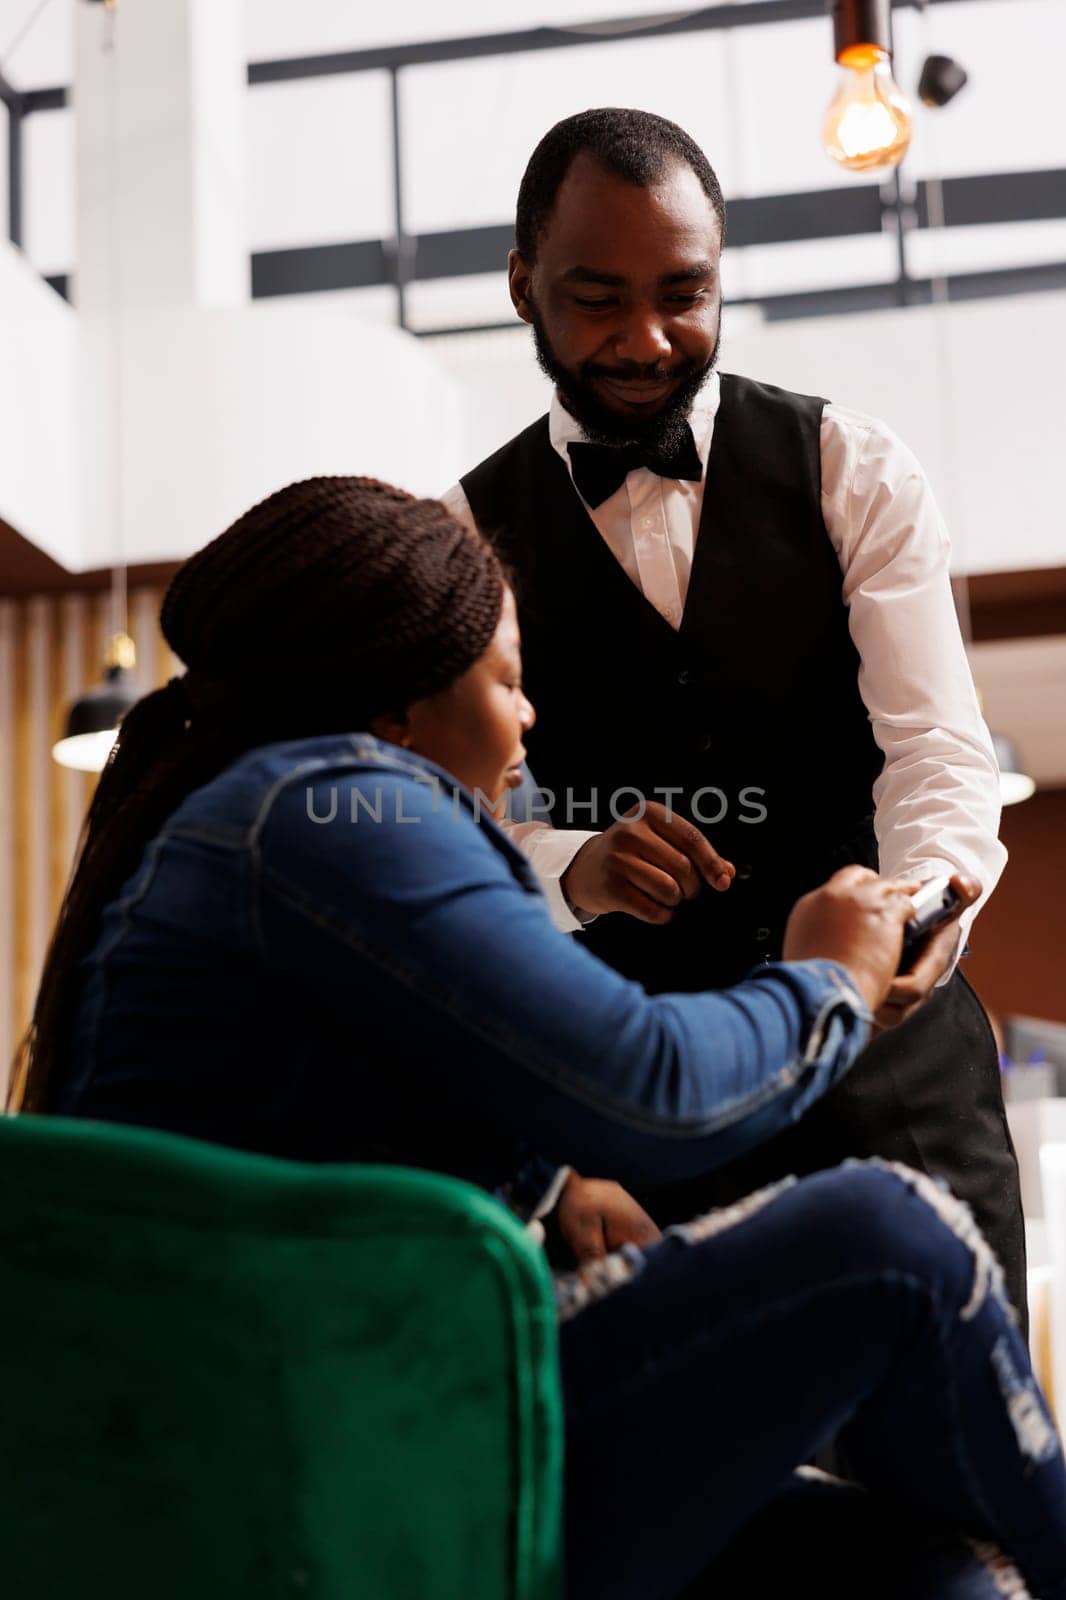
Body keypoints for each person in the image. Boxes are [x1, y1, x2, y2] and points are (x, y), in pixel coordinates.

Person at [12, 477, 1065, 1599]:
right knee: (889, 1235)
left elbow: (344, 1083)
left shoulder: (262, 818)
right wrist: (826, 976)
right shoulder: (333, 803)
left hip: (304, 1433)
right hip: (336, 1454)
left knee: (926, 1575)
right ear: (397, 705)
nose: (528, 721)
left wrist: (555, 1177)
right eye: (509, 680)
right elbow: (654, 1084)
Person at [442, 106, 1027, 1322]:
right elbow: (452, 828)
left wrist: (903, 921)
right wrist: (569, 862)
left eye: (684, 293)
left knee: (963, 1463)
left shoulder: (850, 470)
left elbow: (932, 750)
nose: (647, 339)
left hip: (895, 1068)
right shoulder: (461, 539)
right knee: (708, 1489)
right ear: (520, 285)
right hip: (643, 1093)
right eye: (598, 297)